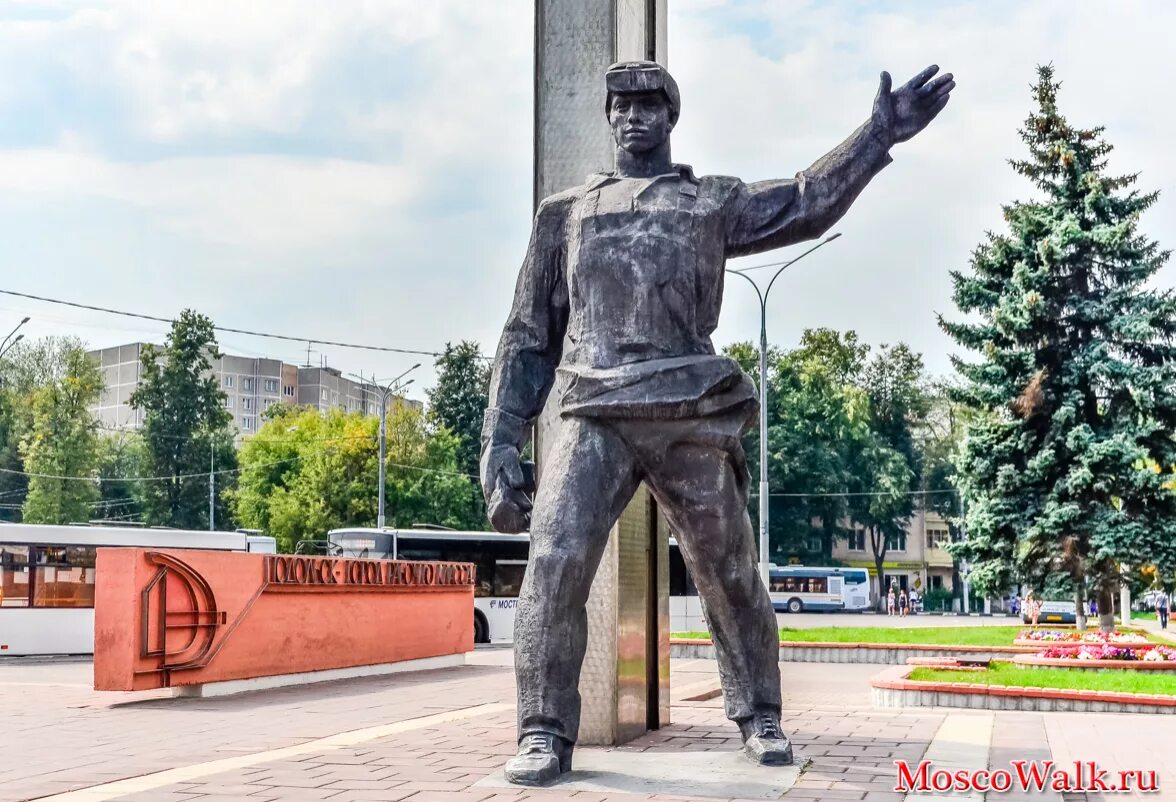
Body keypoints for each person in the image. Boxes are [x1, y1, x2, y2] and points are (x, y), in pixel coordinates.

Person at [482, 59, 955, 786]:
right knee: (552, 562)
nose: (633, 116)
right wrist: (502, 438)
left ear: (672, 119)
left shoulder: (708, 203)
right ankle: (543, 730)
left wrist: (877, 136)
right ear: (608, 118)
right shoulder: (565, 213)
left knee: (729, 567)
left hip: (688, 407)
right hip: (590, 407)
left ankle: (760, 713)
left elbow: (805, 200)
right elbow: (526, 335)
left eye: (649, 105)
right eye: (621, 105)